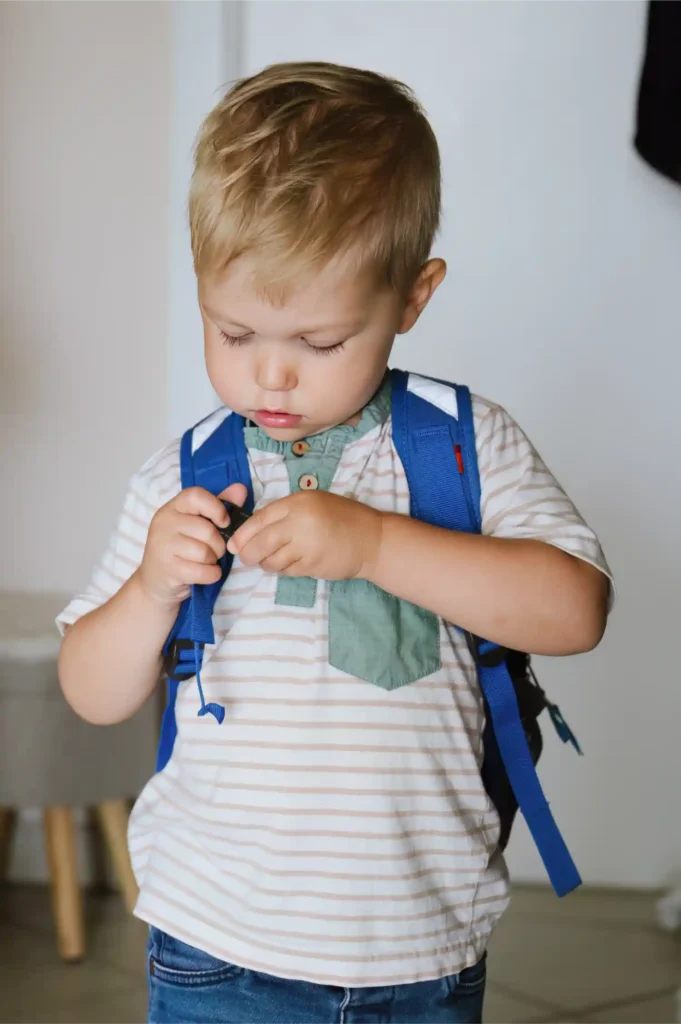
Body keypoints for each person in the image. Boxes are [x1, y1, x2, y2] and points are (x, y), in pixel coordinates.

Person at [57, 62, 611, 1024]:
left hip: (418, 950)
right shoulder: (181, 476)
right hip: (214, 948)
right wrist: (149, 587)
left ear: (411, 297)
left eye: (319, 343)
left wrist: (374, 547)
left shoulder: (463, 446)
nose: (270, 374)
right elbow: (92, 693)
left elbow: (574, 612)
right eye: (232, 333)